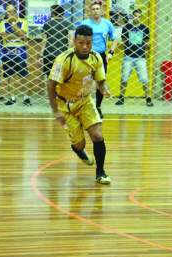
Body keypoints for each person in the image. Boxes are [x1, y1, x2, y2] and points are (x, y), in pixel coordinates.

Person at [47, 25, 111, 185]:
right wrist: (56, 111)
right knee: (79, 144)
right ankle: (79, 151)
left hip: (85, 102)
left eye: (88, 43)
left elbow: (100, 80)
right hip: (65, 106)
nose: (85, 47)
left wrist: (104, 89)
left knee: (97, 135)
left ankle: (100, 172)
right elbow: (50, 85)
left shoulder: (96, 58)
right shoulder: (64, 60)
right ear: (74, 41)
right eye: (81, 43)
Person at [82, 1, 118, 118]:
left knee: (100, 82)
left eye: (98, 9)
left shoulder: (107, 24)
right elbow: (76, 38)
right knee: (86, 82)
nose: (96, 11)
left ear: (101, 11)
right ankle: (83, 107)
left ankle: (98, 107)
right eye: (93, 9)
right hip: (87, 56)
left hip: (101, 57)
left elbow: (115, 39)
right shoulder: (85, 23)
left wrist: (110, 53)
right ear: (90, 11)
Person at [115, 9, 153, 107]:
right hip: (128, 56)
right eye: (135, 16)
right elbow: (124, 40)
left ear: (141, 17)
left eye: (139, 16)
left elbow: (147, 42)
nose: (137, 17)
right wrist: (121, 43)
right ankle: (121, 98)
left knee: (144, 79)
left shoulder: (145, 28)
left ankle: (148, 98)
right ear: (132, 17)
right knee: (124, 78)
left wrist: (146, 45)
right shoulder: (127, 27)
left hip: (140, 57)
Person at [0, 4, 30, 106]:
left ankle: (26, 98)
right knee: (9, 76)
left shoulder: (23, 22)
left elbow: (23, 36)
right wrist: (17, 34)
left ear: (16, 12)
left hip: (20, 51)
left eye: (11, 12)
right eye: (8, 12)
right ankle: (12, 98)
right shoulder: (2, 23)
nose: (9, 14)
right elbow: (5, 37)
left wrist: (13, 25)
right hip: (7, 51)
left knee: (23, 75)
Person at [40, 4, 74, 78]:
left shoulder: (47, 24)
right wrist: (68, 53)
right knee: (60, 76)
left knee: (49, 77)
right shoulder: (68, 24)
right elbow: (71, 40)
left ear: (52, 12)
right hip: (62, 55)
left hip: (49, 54)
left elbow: (44, 40)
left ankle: (49, 89)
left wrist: (41, 55)